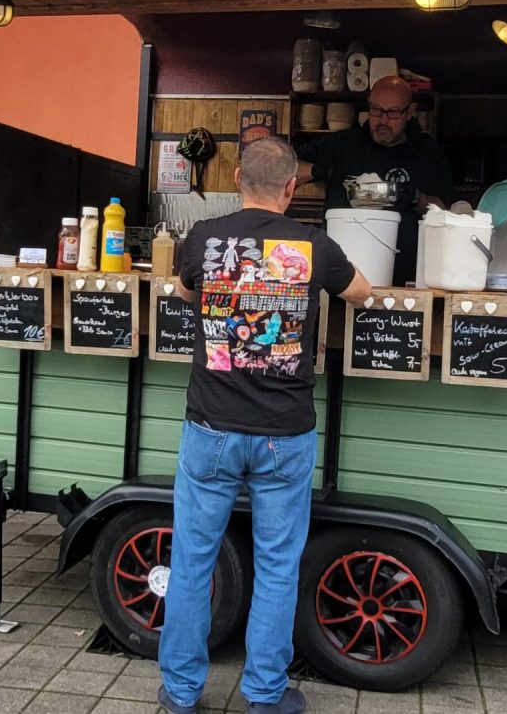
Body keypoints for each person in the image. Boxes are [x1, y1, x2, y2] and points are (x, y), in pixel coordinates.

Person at [157, 137, 371, 714]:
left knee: (193, 561)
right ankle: (265, 696)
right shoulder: (314, 243)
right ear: (292, 187)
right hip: (284, 433)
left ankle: (180, 695)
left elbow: (181, 291)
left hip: (210, 429)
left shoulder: (203, 237)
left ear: (234, 177)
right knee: (278, 566)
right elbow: (363, 293)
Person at [296, 74, 453, 285]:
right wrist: (317, 171)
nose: (383, 120)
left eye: (393, 112)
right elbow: (281, 168)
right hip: (341, 276)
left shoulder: (428, 154)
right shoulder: (341, 145)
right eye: (376, 110)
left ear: (411, 112)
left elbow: (445, 214)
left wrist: (417, 198)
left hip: (406, 278)